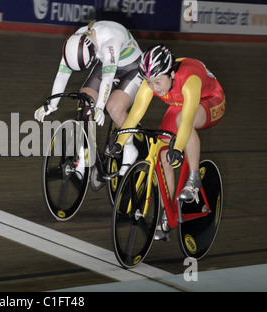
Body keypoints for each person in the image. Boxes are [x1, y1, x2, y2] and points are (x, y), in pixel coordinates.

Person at [113, 44, 226, 239]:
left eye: (157, 82)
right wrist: (118, 143)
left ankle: (194, 179)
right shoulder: (151, 81)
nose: (153, 88)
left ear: (172, 73)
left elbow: (187, 119)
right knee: (163, 154)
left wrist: (179, 148)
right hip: (180, 104)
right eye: (149, 82)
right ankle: (169, 214)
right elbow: (134, 116)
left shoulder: (189, 79)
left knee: (182, 122)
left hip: (209, 100)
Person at [34, 20, 144, 185]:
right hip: (105, 62)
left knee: (113, 108)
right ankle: (88, 154)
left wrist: (99, 107)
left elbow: (107, 79)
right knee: (84, 101)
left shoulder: (110, 42)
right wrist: (52, 104)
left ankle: (130, 147)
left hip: (132, 68)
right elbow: (62, 75)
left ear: (92, 51)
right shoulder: (76, 41)